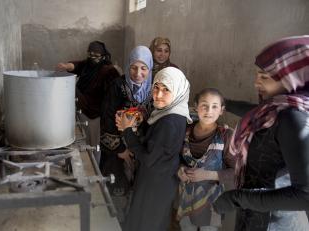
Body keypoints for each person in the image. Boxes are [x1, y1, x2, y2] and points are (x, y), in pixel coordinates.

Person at [213, 36, 309, 231]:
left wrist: (236, 198)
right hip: (255, 215)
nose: (256, 82)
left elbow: (305, 195)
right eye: (257, 74)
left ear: (292, 77)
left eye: (265, 77)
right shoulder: (275, 109)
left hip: (275, 223)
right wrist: (225, 104)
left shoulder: (294, 118)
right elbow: (254, 113)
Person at [115, 67, 192, 231]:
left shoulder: (169, 122)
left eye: (166, 90)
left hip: (155, 185)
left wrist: (127, 131)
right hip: (161, 180)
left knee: (144, 224)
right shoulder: (171, 112)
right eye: (156, 87)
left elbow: (149, 158)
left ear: (177, 90)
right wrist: (136, 122)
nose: (158, 95)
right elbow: (156, 144)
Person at [99, 46, 154, 221]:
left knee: (137, 193)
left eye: (144, 68)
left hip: (141, 151)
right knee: (117, 191)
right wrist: (120, 149)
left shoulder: (154, 90)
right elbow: (107, 119)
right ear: (128, 66)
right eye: (134, 67)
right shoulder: (117, 86)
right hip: (117, 152)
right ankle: (114, 223)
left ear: (150, 69)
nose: (138, 73)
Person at [176, 88, 235, 231]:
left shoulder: (225, 136)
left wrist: (209, 175)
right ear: (196, 106)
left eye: (215, 106)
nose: (209, 110)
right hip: (185, 198)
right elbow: (176, 157)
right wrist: (180, 169)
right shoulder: (185, 130)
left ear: (221, 110)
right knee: (186, 227)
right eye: (204, 105)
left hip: (211, 203)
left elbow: (237, 171)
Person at [56, 41, 120, 163]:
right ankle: (83, 163)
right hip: (82, 109)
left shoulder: (108, 71)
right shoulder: (88, 65)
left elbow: (113, 95)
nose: (92, 58)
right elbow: (78, 65)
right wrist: (66, 66)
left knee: (94, 145)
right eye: (90, 54)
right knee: (82, 140)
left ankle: (94, 167)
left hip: (95, 115)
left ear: (103, 56)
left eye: (96, 56)